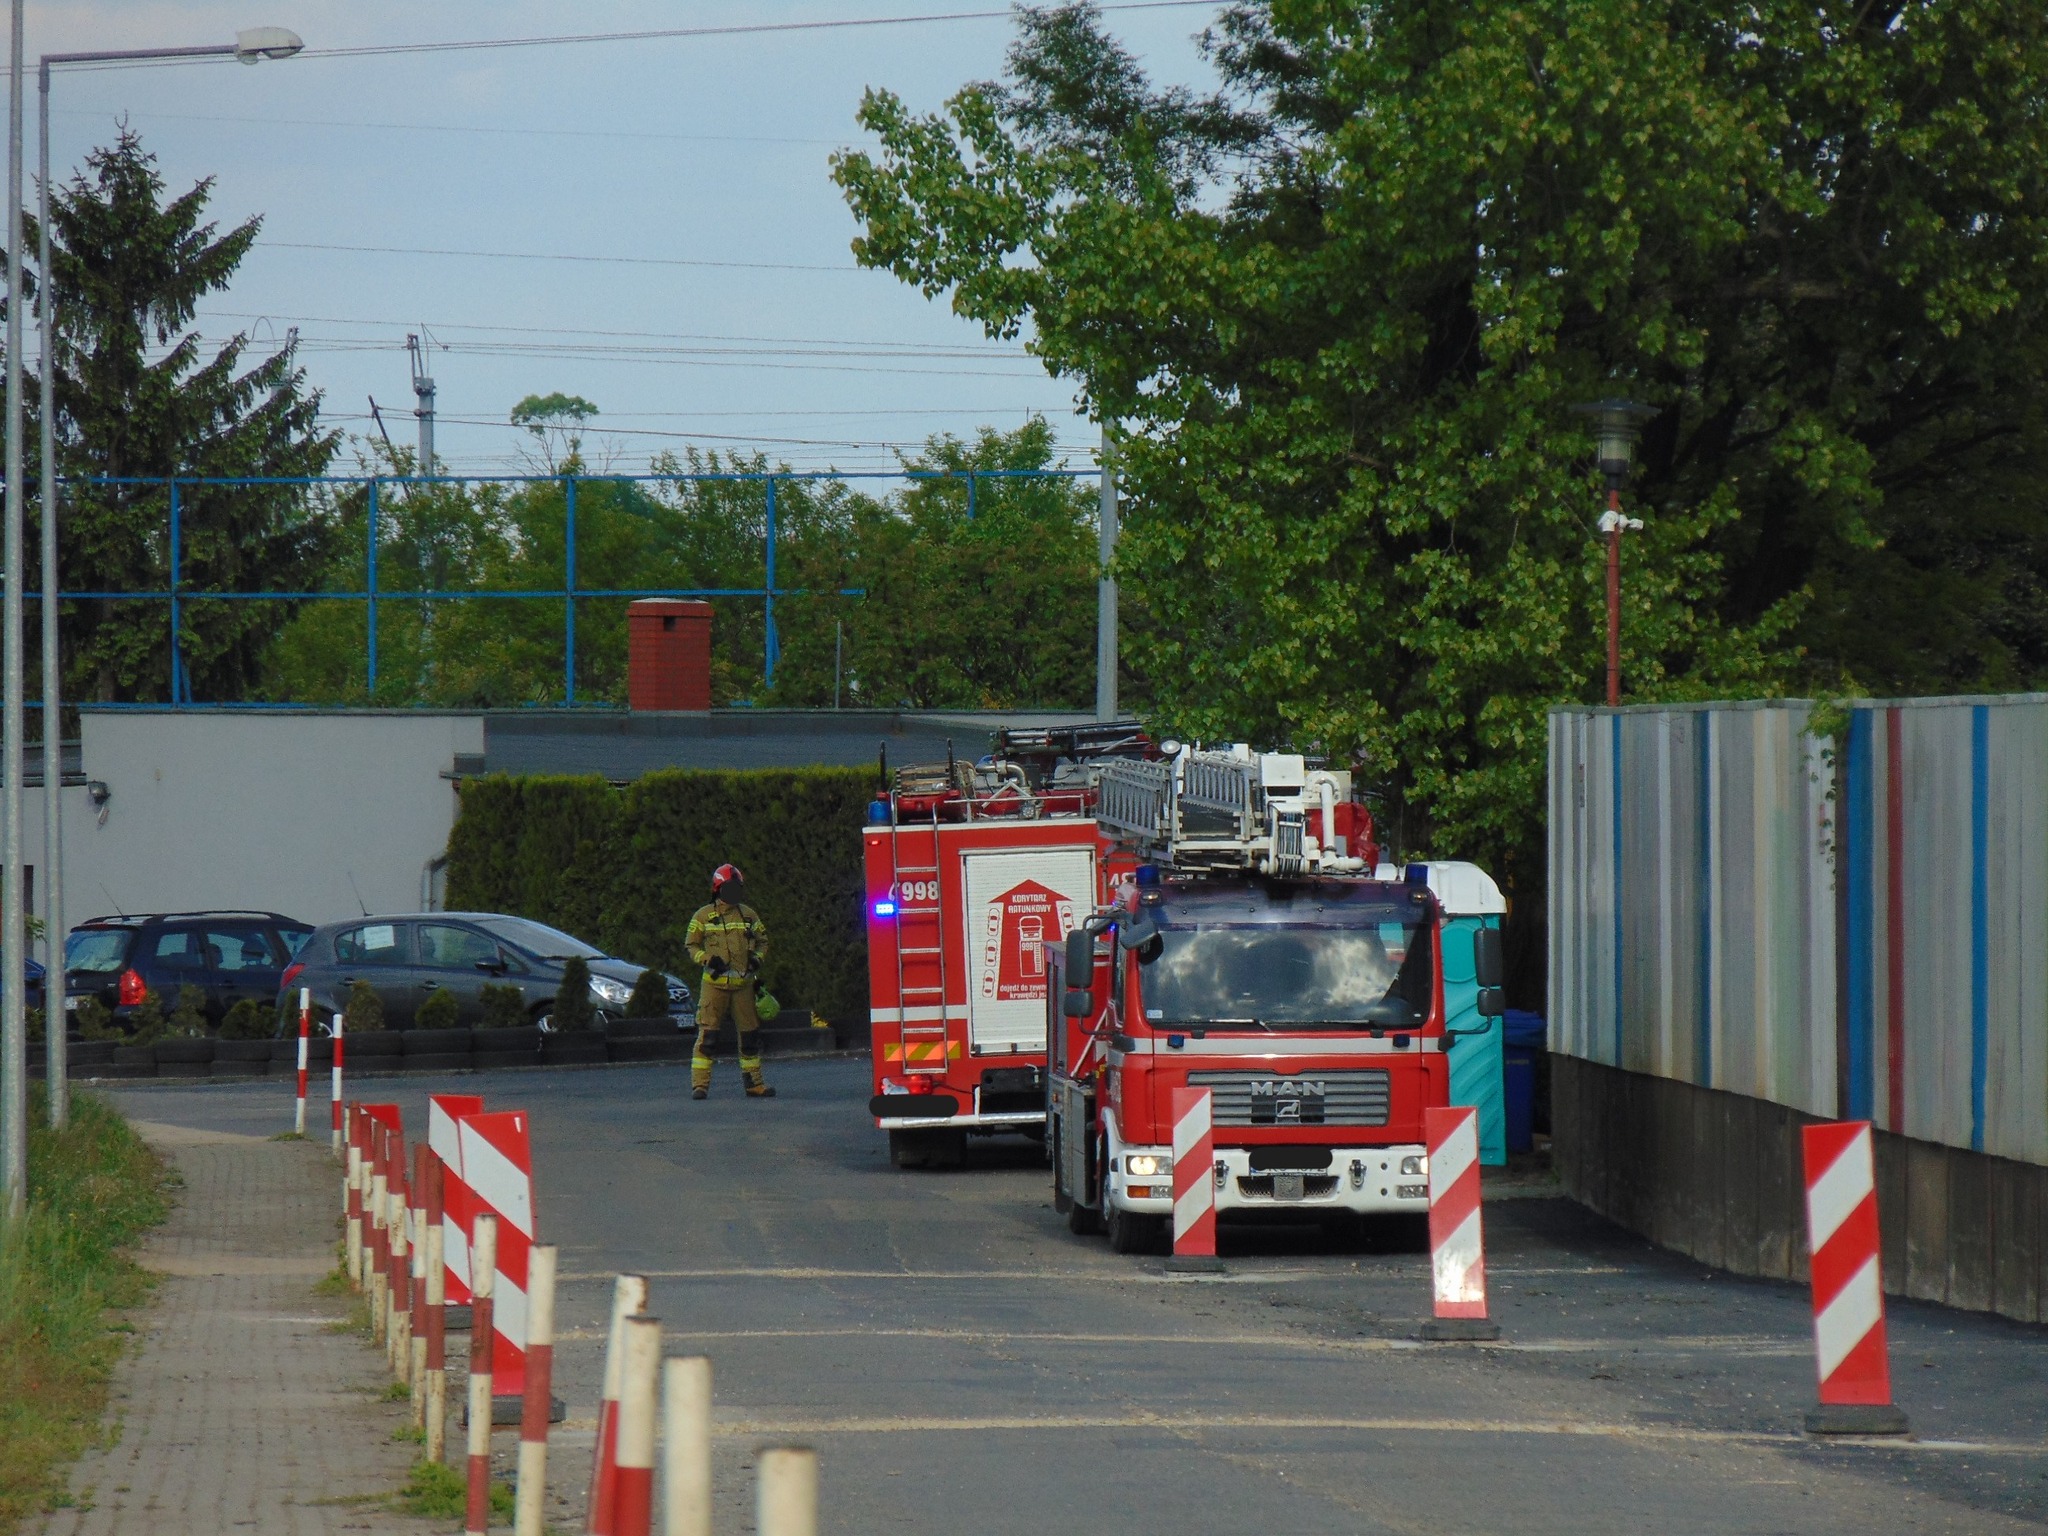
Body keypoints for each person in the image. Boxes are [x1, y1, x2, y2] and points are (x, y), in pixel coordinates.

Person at [686, 863, 775, 1099]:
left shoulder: (748, 914)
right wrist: (706, 959)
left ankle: (754, 1084)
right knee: (708, 1037)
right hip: (714, 987)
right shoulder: (703, 916)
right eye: (730, 887)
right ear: (718, 888)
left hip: (743, 987)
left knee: (749, 1037)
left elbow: (763, 941)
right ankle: (700, 1086)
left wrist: (756, 959)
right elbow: (691, 945)